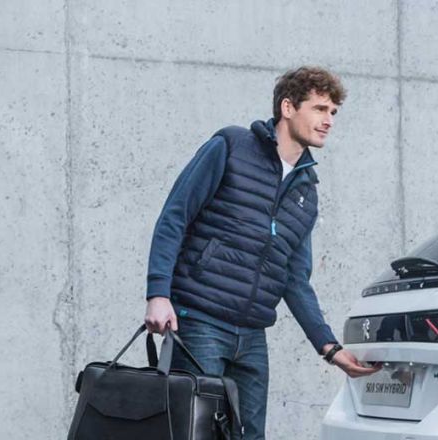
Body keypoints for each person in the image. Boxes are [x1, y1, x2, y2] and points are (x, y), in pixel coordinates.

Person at [143, 65, 381, 439]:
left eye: (333, 112)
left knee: (249, 435)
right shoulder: (232, 146)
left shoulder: (306, 191)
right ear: (288, 107)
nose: (328, 120)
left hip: (252, 335)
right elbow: (175, 216)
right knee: (195, 431)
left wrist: (330, 347)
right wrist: (158, 294)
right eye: (320, 109)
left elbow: (295, 279)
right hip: (201, 321)